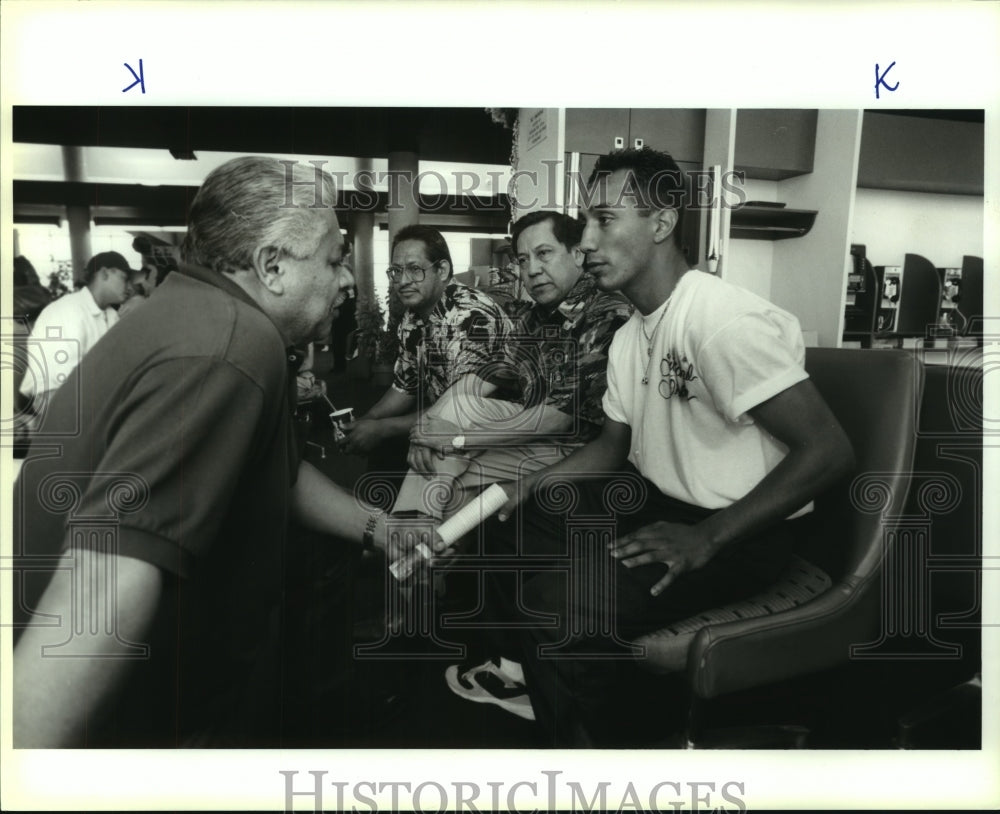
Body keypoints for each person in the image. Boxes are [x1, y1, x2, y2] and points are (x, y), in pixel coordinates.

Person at [446, 147, 856, 744]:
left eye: (605, 220)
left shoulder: (718, 319)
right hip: (658, 502)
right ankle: (550, 680)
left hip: (741, 531)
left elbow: (829, 451)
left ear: (661, 223)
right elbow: (613, 446)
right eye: (585, 222)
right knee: (513, 521)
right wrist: (527, 484)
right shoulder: (631, 335)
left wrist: (708, 537)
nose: (586, 241)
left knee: (550, 605)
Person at [12, 156, 411, 748]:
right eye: (334, 260)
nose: (348, 279)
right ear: (271, 266)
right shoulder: (231, 345)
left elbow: (277, 472)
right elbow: (106, 575)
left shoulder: (203, 310)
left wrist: (382, 528)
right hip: (144, 726)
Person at [393, 210, 632, 521]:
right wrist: (424, 431)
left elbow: (557, 420)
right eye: (522, 259)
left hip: (579, 450)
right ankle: (414, 542)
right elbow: (481, 378)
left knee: (449, 462)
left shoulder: (606, 312)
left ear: (576, 254)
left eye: (544, 253)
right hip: (535, 437)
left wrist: (455, 438)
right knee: (450, 449)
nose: (532, 270)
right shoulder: (535, 318)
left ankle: (402, 536)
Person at [341, 224, 513, 456]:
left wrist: (382, 429)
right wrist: (368, 420)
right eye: (396, 271)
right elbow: (405, 386)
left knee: (390, 445)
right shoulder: (413, 315)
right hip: (445, 419)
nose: (403, 281)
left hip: (492, 432)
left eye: (414, 269)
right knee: (381, 449)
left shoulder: (470, 318)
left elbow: (460, 408)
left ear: (442, 270)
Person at [18, 250, 135, 421]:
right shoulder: (67, 310)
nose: (130, 287)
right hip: (54, 395)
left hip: (88, 396)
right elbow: (62, 379)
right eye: (125, 278)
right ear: (104, 273)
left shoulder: (111, 315)